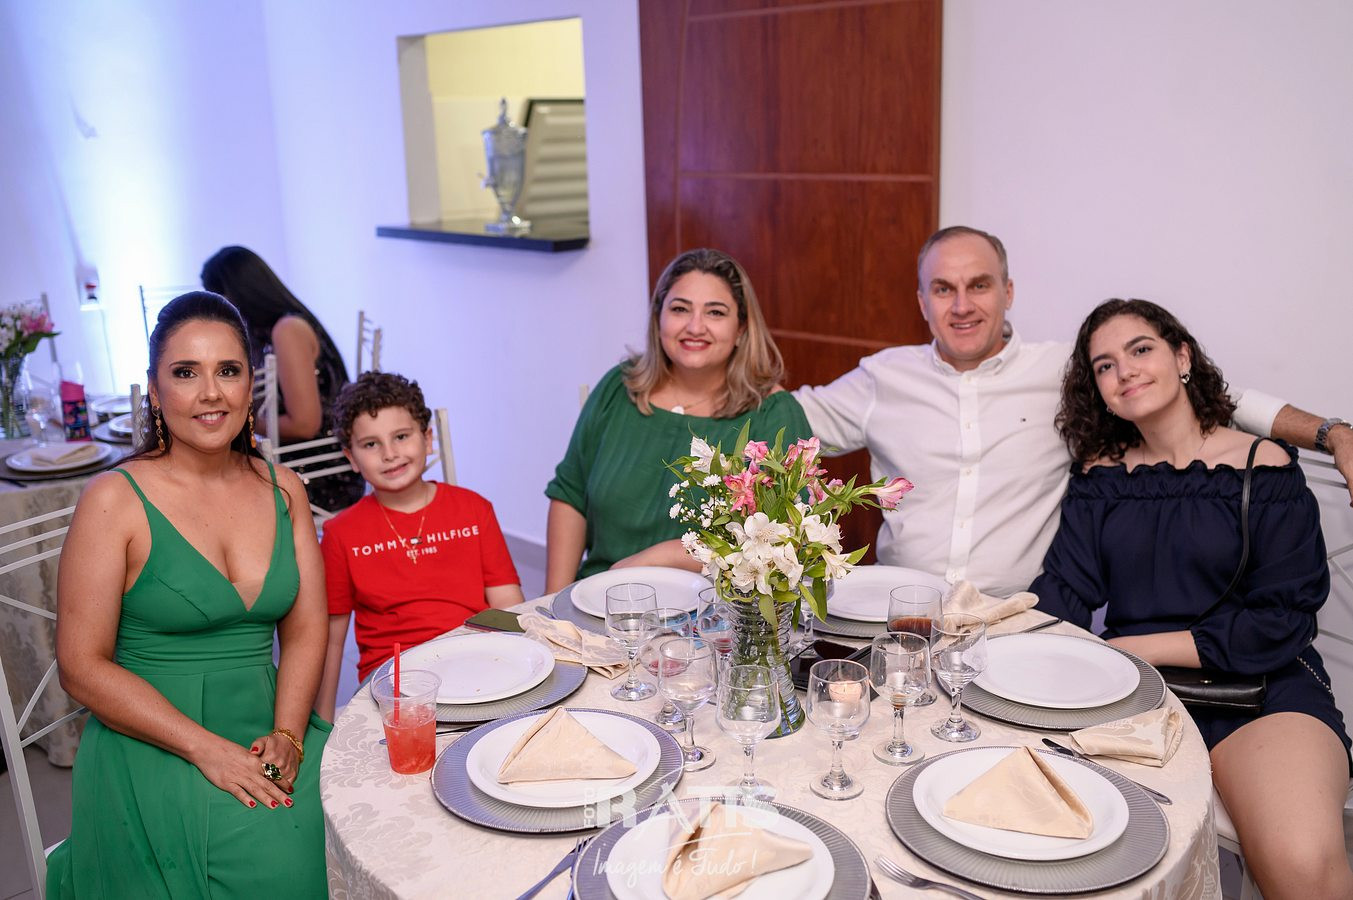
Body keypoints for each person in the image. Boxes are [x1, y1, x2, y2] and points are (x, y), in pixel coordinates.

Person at [795, 225, 1353, 596]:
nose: (962, 306)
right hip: (900, 617)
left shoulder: (1070, 371)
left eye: (979, 285)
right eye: (943, 289)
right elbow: (779, 423)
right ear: (922, 302)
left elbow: (1218, 398)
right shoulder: (882, 377)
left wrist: (1333, 433)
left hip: (1014, 624)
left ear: (1008, 292)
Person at [1030, 299, 1353, 899]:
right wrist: (998, 638)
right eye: (1104, 365)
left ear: (1182, 357)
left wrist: (1136, 648)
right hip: (1132, 695)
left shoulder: (1264, 466)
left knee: (1302, 864)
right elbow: (1064, 594)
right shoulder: (1101, 478)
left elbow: (1281, 620)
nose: (1124, 371)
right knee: (1056, 847)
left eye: (1140, 349)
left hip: (1262, 689)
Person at [47, 292, 330, 897]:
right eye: (185, 373)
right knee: (286, 861)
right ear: (154, 391)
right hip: (152, 736)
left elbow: (307, 628)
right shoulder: (113, 500)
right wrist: (208, 751)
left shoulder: (285, 490)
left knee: (362, 819)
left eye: (227, 370)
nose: (210, 393)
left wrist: (288, 733)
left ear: (250, 386)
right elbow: (80, 667)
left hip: (267, 721)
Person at [545, 248, 813, 592]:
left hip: (714, 613)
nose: (695, 327)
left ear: (742, 328)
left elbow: (784, 541)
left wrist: (660, 557)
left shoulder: (774, 414)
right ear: (659, 317)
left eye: (715, 312)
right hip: (601, 600)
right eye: (679, 309)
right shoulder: (618, 388)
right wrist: (553, 603)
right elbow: (570, 496)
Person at [316, 371, 524, 720]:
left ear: (427, 439)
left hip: (475, 661)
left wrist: (520, 670)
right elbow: (330, 640)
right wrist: (322, 724)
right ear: (351, 458)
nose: (390, 454)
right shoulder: (341, 534)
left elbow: (507, 601)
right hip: (392, 682)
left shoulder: (474, 508)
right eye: (371, 444)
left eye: (401, 436)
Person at [201, 244, 364, 511]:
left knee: (216, 490)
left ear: (238, 294)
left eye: (220, 299)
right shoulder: (271, 329)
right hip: (303, 457)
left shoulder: (288, 330)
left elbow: (305, 425)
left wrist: (240, 421)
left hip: (321, 469)